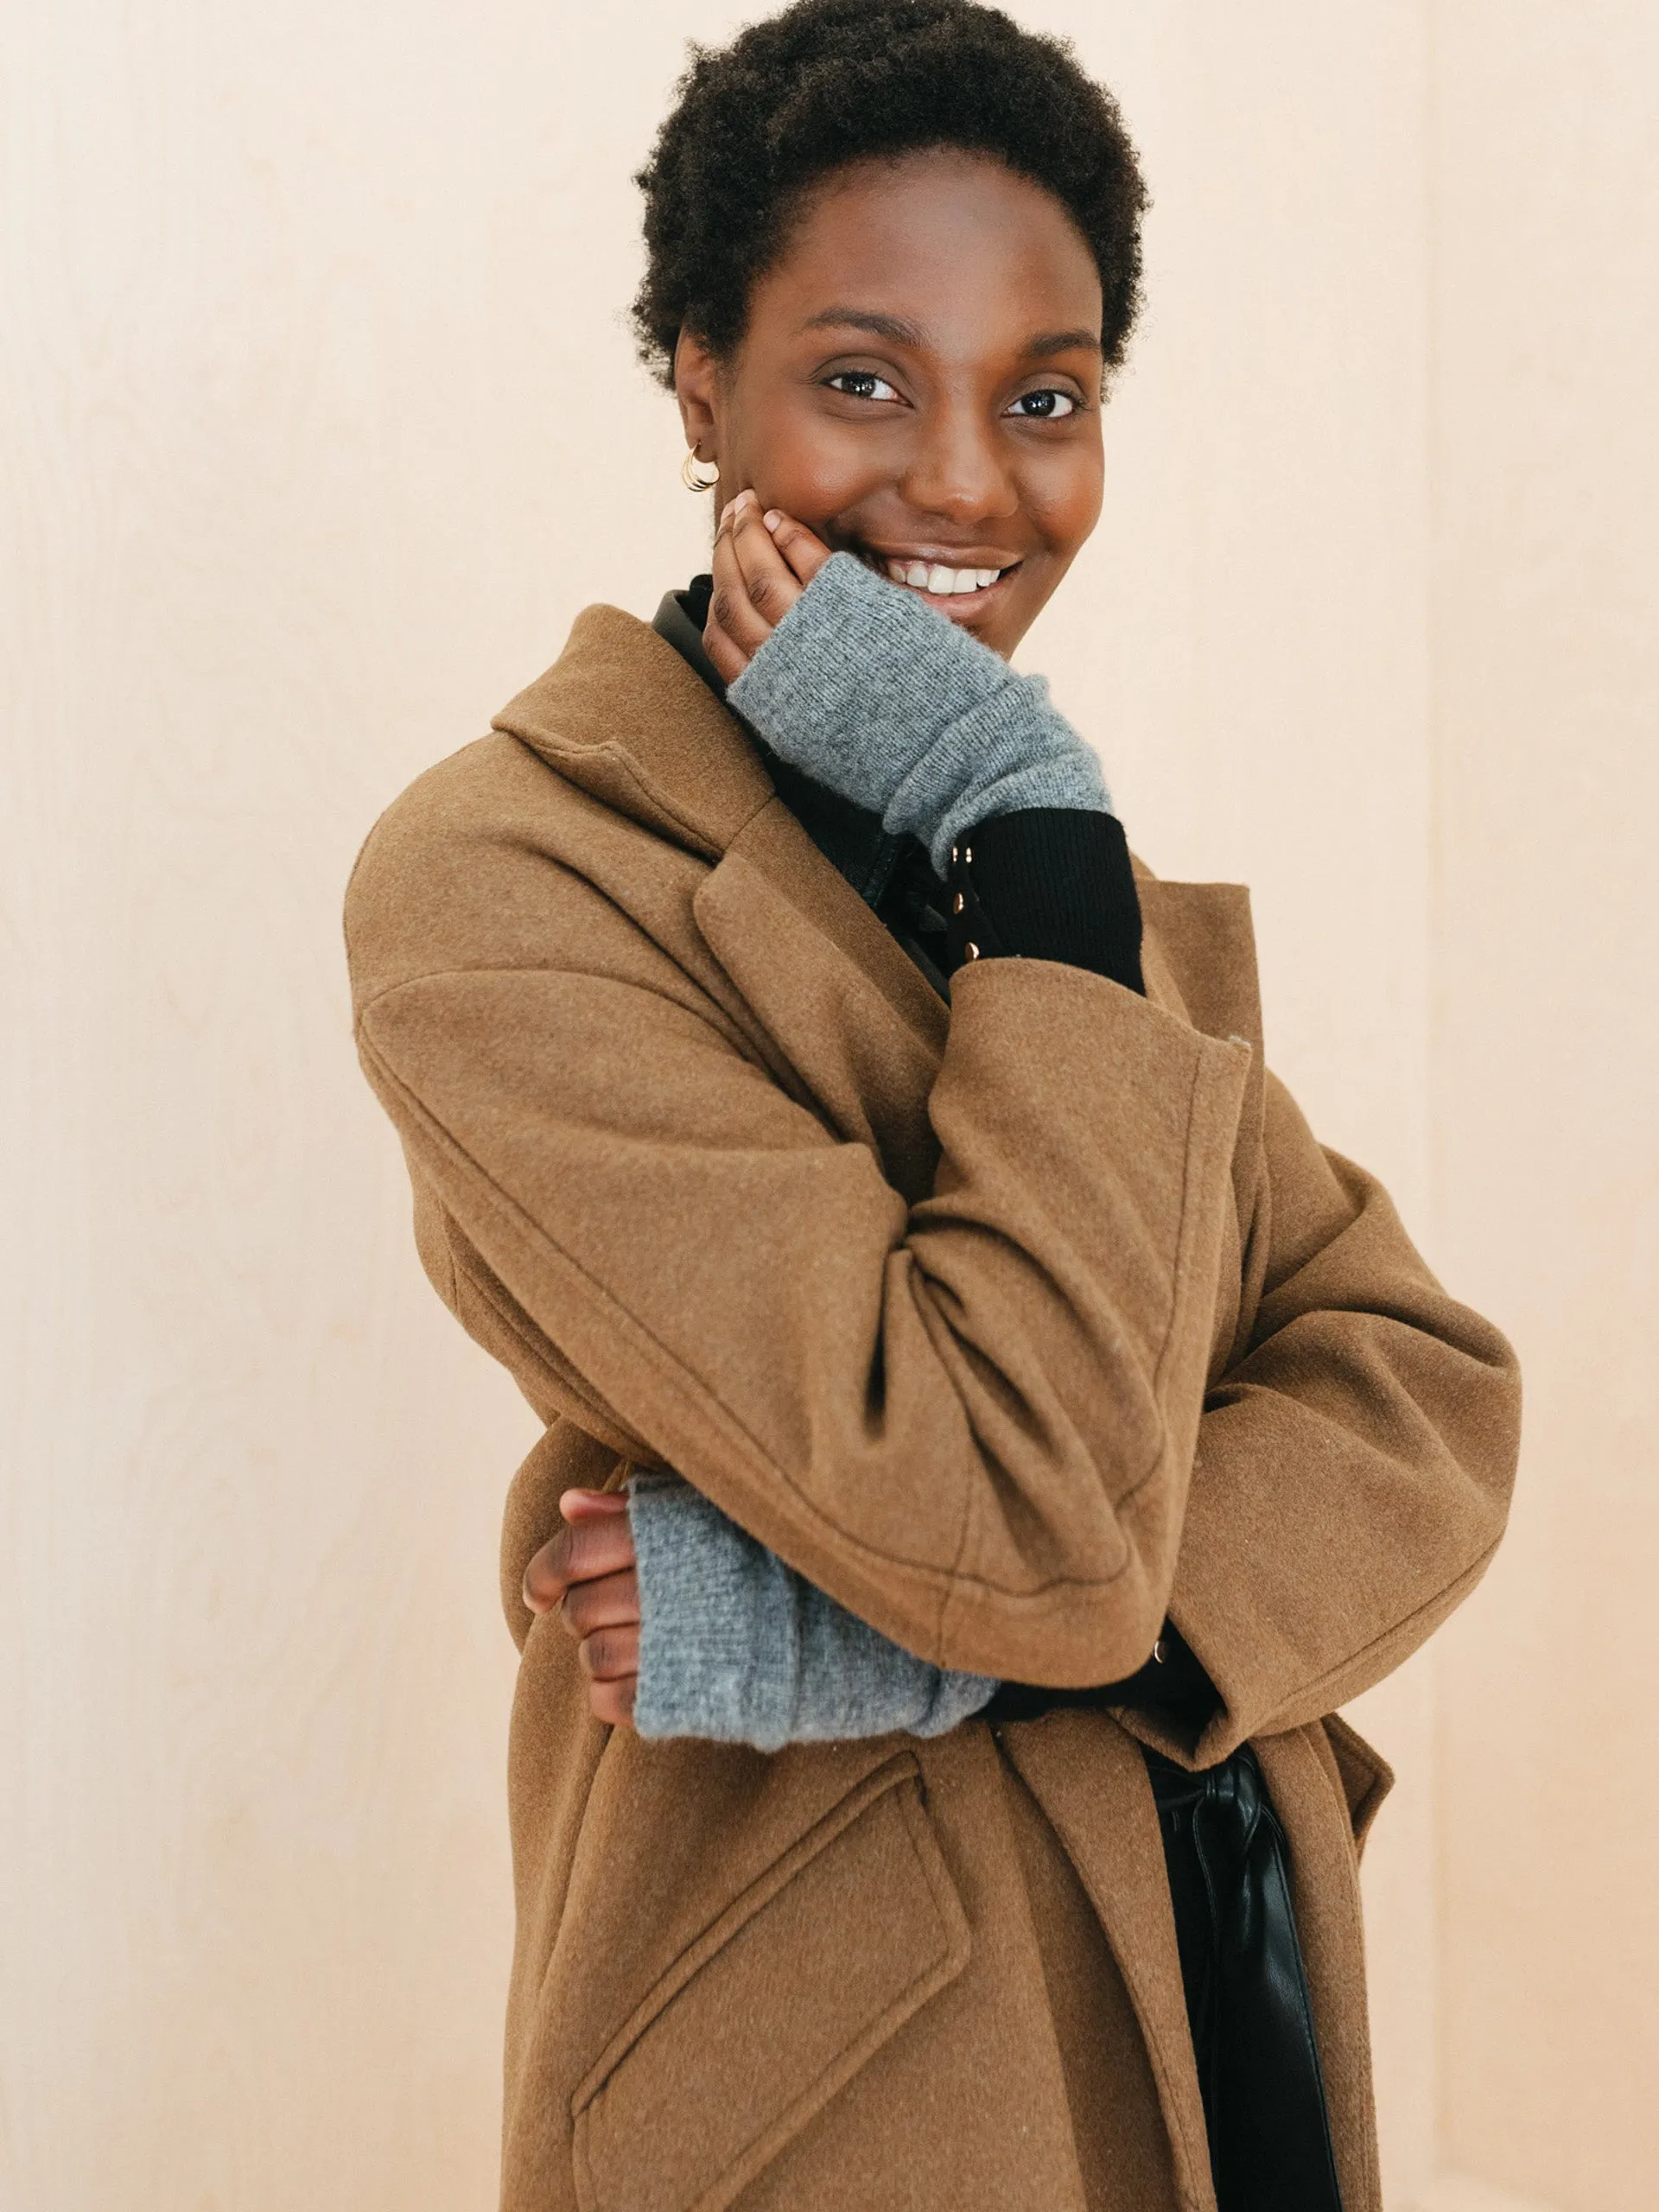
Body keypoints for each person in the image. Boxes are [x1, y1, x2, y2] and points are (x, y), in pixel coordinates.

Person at [343, 4, 1521, 2207]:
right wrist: (1017, 784)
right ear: (700, 374)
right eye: (864, 377)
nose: (974, 480)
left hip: (1211, 1972)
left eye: (1048, 397)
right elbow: (1033, 1515)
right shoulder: (510, 883)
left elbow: (1421, 1394)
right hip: (854, 2060)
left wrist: (849, 1633)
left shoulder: (1045, 892)